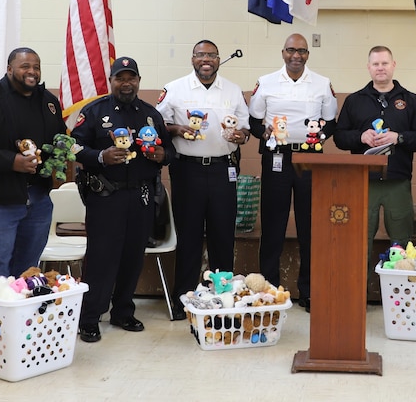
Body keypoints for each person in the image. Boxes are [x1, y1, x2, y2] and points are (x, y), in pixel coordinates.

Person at [70, 56, 174, 342]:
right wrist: (100, 156)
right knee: (102, 258)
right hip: (106, 196)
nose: (126, 83)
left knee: (132, 256)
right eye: (120, 78)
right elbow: (74, 147)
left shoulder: (150, 114)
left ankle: (123, 311)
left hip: (141, 196)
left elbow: (170, 150)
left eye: (131, 78)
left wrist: (162, 155)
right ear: (112, 81)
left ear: (139, 81)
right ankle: (90, 317)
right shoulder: (94, 112)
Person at [156, 40, 250, 321]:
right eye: (201, 55)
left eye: (211, 55)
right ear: (192, 59)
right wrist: (177, 129)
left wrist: (240, 136)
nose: (206, 60)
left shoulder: (232, 90)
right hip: (187, 171)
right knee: (189, 237)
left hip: (223, 171)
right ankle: (184, 300)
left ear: (219, 59)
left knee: (223, 236)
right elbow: (158, 125)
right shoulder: (175, 88)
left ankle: (223, 300)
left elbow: (245, 128)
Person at [248, 33, 337, 312]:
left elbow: (331, 123)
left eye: (301, 51)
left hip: (309, 158)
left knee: (309, 226)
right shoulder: (266, 82)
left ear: (308, 54)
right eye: (291, 50)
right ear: (282, 52)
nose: (296, 55)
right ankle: (270, 289)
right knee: (273, 224)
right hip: (276, 156)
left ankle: (308, 290)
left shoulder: (322, 84)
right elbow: (253, 121)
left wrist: (317, 137)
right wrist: (266, 134)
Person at [0, 48, 64, 282]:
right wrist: (11, 162)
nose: (32, 72)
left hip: (38, 199)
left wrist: (58, 159)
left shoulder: (49, 102)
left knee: (28, 270)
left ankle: (22, 319)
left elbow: (57, 139)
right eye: (25, 66)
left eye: (36, 67)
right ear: (9, 69)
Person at [334, 45, 416, 262]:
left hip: (397, 182)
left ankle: (398, 293)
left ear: (393, 65)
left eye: (385, 63)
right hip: (363, 181)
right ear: (369, 67)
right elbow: (339, 137)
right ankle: (358, 293)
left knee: (402, 243)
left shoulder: (411, 100)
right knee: (359, 239)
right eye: (376, 64)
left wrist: (399, 137)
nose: (380, 68)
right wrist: (360, 137)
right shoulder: (354, 101)